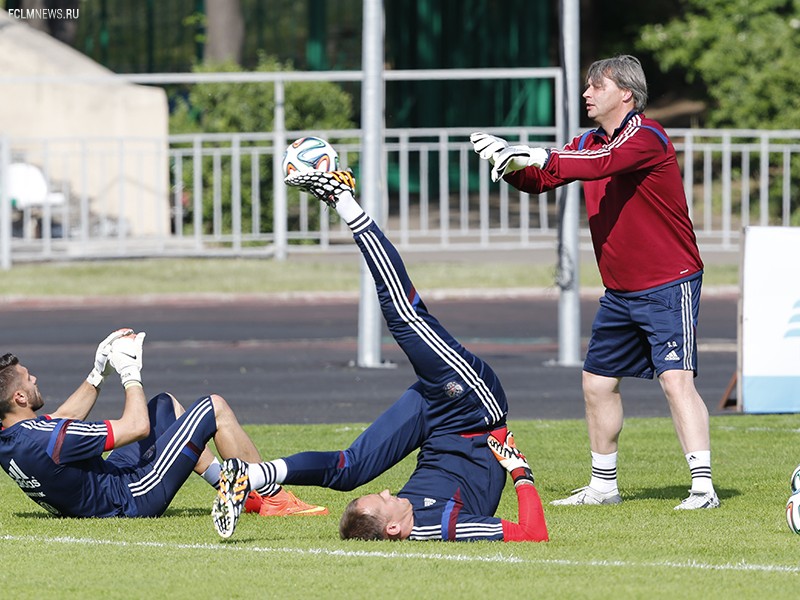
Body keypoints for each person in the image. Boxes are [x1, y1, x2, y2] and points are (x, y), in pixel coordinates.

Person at [211, 169, 549, 542]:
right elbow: (533, 534)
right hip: (474, 406)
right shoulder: (439, 525)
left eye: (384, 494)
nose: (391, 491)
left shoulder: (397, 516)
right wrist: (520, 472)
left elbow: (369, 496)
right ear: (393, 528)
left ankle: (252, 475)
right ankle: (342, 199)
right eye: (385, 500)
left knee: (349, 470)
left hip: (434, 420)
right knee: (404, 316)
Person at [471, 54, 718, 510]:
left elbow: (601, 163)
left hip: (669, 281)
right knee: (597, 383)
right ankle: (603, 487)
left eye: (596, 86)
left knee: (675, 380)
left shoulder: (648, 135)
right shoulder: (587, 140)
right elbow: (546, 177)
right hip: (620, 289)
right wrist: (508, 164)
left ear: (626, 93)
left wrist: (542, 153)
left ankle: (703, 487)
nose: (587, 94)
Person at [0, 329, 326, 519]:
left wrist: (98, 373)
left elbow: (60, 422)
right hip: (131, 496)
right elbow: (137, 427)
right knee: (214, 407)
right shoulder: (51, 440)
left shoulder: (12, 435)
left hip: (103, 487)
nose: (35, 379)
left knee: (164, 407)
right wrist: (129, 372)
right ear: (19, 398)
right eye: (29, 380)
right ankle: (271, 497)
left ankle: (236, 491)